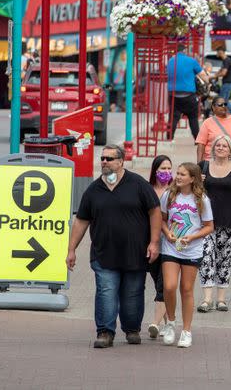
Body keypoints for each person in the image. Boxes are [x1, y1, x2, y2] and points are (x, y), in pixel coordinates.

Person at [67, 145, 162, 348]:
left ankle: (132, 329)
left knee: (132, 293)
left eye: (109, 158)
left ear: (121, 162)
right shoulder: (93, 189)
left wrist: (154, 242)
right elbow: (81, 221)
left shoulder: (138, 184)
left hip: (135, 253)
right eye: (102, 158)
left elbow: (155, 211)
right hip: (104, 254)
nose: (104, 162)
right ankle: (105, 332)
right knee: (106, 291)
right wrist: (71, 249)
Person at [159, 162, 214, 348]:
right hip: (171, 247)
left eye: (183, 174)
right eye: (178, 173)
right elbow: (162, 220)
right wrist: (167, 233)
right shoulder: (169, 195)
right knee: (169, 285)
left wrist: (192, 237)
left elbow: (209, 226)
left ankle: (186, 331)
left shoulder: (202, 200)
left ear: (192, 178)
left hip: (192, 249)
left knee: (187, 289)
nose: (178, 177)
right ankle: (171, 323)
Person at [197, 135, 231, 312]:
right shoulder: (203, 167)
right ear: (213, 148)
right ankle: (207, 299)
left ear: (230, 150)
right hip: (206, 222)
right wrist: (199, 182)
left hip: (228, 221)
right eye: (218, 145)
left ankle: (221, 299)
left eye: (225, 146)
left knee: (224, 259)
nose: (221, 148)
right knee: (206, 258)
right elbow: (190, 189)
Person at [146, 155, 172, 340]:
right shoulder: (147, 191)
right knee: (158, 283)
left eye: (169, 168)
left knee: (164, 285)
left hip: (170, 246)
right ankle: (168, 323)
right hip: (151, 245)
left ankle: (155, 323)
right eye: (162, 169)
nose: (166, 172)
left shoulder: (175, 191)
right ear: (155, 170)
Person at [167, 44, 209, 139]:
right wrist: (208, 82)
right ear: (185, 51)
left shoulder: (170, 61)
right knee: (193, 118)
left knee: (173, 118)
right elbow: (202, 75)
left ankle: (169, 137)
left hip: (173, 95)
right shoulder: (191, 61)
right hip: (189, 96)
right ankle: (197, 139)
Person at [195, 95, 231, 163]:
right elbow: (201, 145)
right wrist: (199, 165)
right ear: (213, 107)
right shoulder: (207, 123)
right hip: (211, 161)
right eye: (220, 105)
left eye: (225, 104)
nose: (223, 106)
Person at [213, 47, 231, 115]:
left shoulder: (226, 60)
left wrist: (214, 76)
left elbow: (223, 73)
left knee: (222, 100)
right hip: (227, 83)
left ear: (221, 52)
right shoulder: (225, 60)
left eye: (217, 52)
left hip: (227, 83)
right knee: (225, 100)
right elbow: (220, 70)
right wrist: (214, 75)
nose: (216, 54)